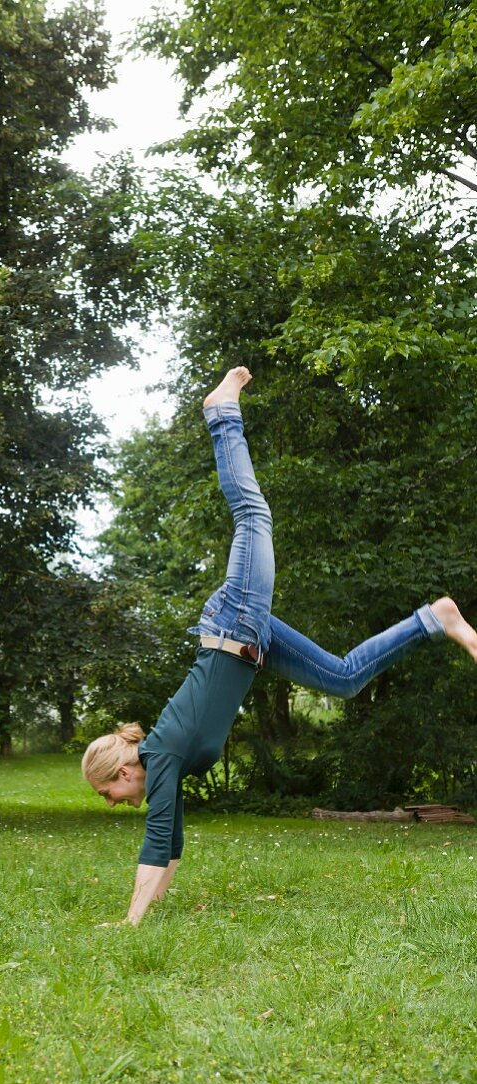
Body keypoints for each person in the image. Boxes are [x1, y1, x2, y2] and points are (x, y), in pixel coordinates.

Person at [82, 367, 477, 927]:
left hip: (234, 624)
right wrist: (150, 907)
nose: (111, 803)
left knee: (253, 514)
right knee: (342, 679)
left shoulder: (162, 756)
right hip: (252, 641)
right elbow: (170, 844)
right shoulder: (165, 765)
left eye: (105, 794)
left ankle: (221, 413)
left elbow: (153, 843)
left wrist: (130, 922)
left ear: (122, 774)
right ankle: (434, 619)